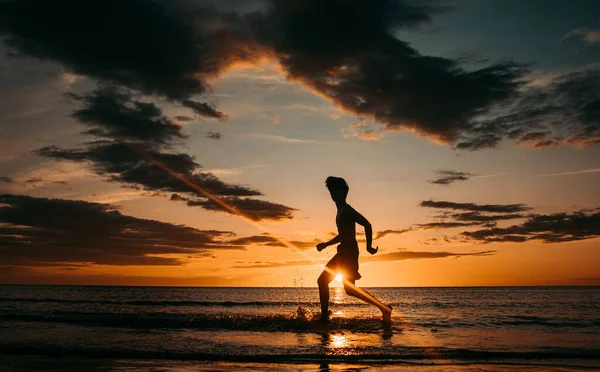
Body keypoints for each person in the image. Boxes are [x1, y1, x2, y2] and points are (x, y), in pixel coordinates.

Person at [316, 176, 392, 323]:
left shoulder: (347, 210)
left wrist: (368, 246)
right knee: (322, 281)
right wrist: (325, 244)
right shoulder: (339, 212)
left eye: (336, 191)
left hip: (349, 253)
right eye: (331, 191)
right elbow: (343, 235)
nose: (333, 194)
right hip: (342, 252)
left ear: (344, 193)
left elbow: (367, 224)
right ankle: (324, 317)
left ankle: (384, 308)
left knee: (349, 289)